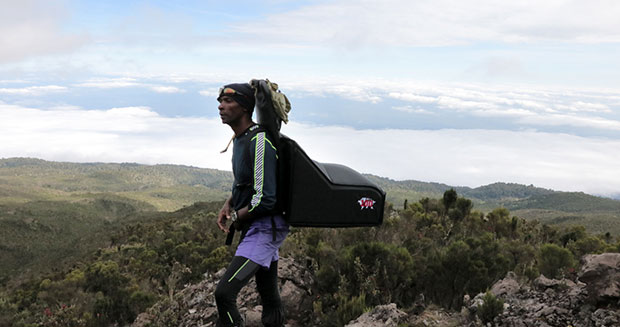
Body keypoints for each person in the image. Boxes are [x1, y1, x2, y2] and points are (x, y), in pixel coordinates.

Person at [214, 83, 289, 327]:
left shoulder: (259, 141)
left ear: (245, 107)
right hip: (259, 226)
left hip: (265, 228)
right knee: (269, 295)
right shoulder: (241, 138)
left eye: (227, 101)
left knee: (224, 294)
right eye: (220, 101)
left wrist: (237, 216)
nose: (221, 106)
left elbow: (265, 199)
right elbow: (245, 182)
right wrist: (229, 203)